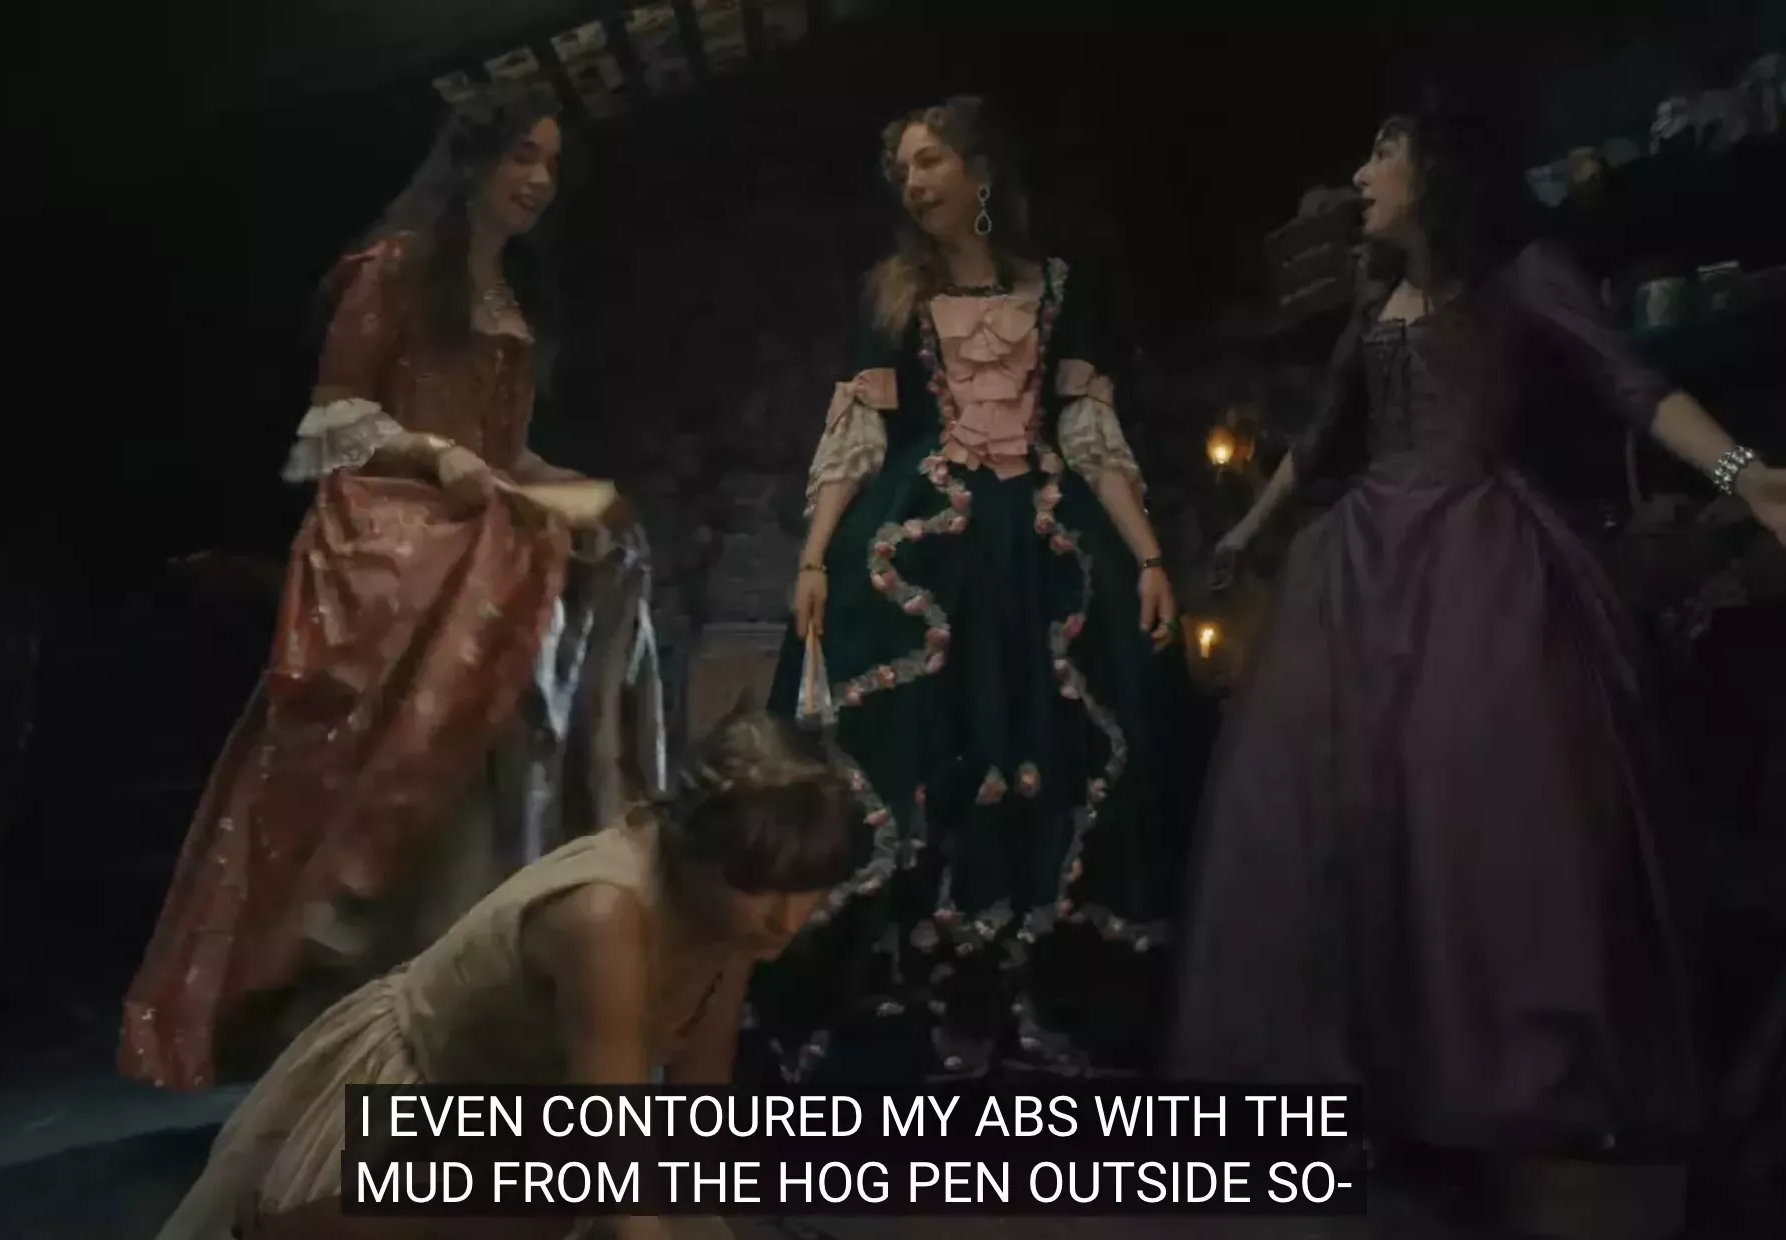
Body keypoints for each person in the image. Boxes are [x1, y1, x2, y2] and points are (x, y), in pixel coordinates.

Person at [1167, 96, 1786, 1235]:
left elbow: (1631, 383)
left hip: (1478, 566)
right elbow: (1325, 435)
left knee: (1477, 826)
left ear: (1438, 171)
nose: (1361, 174)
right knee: (1352, 826)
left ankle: (1485, 1098)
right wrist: (1246, 531)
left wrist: (1745, 474)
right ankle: (1380, 1101)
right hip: (1358, 574)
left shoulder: (1522, 278)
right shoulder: (1372, 300)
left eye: (1382, 151)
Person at [122, 95, 647, 1092]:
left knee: (577, 604)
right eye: (521, 156)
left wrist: (580, 491)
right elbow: (334, 420)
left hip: (484, 531)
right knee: (426, 727)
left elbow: (506, 453)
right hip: (396, 532)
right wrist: (435, 455)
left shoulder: (512, 295)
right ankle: (353, 1018)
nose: (538, 179)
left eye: (550, 163)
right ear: (474, 161)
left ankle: (476, 1010)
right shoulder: (399, 268)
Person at [753, 96, 1185, 1080]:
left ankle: (1031, 989)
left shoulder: (1058, 287)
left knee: (1045, 745)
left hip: (1040, 548)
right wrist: (814, 558)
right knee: (915, 751)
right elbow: (857, 433)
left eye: (930, 161)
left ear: (981, 171)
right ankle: (914, 991)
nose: (914, 183)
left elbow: (1089, 430)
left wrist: (1150, 557)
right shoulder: (892, 295)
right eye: (903, 169)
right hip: (927, 544)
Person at [152, 710, 848, 1240]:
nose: (786, 920)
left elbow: (697, 1101)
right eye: (760, 887)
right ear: (695, 853)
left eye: (806, 889)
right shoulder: (604, 916)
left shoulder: (731, 920)